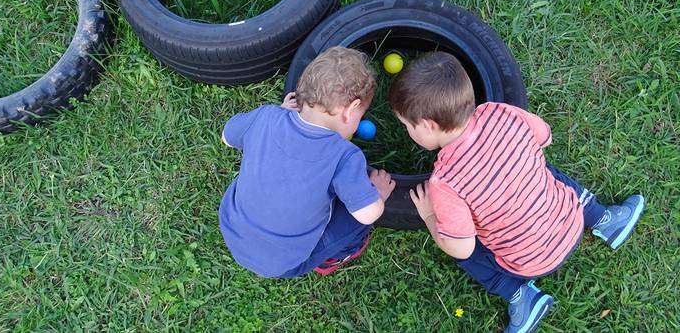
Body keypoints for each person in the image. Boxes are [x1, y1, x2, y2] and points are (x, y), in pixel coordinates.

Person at [389, 51, 645, 333]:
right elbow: (544, 137)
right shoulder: (499, 112)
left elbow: (460, 247)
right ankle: (605, 220)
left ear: (428, 126)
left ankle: (520, 296)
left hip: (527, 263)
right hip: (569, 219)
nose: (407, 131)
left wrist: (428, 215)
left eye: (406, 126)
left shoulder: (446, 182)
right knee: (546, 172)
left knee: (469, 254)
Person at [220, 46, 395, 278]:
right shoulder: (345, 156)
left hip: (233, 231)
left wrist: (280, 113)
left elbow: (227, 136)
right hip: (284, 263)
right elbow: (368, 214)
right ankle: (332, 257)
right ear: (351, 110)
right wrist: (379, 194)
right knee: (356, 220)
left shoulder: (266, 116)